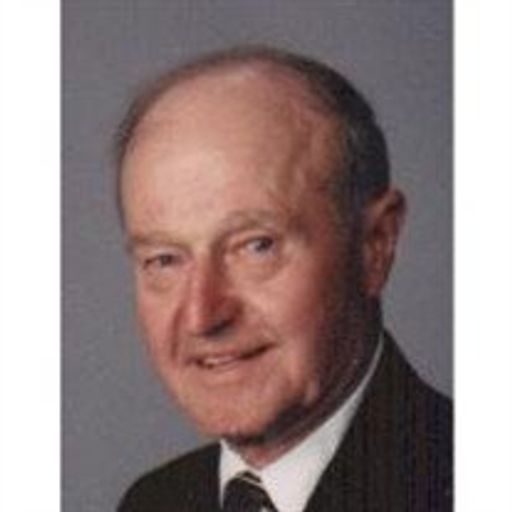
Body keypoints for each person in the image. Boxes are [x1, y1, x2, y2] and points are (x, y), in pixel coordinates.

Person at [115, 46, 452, 512]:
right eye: (165, 260)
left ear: (375, 244)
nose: (201, 316)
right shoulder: (155, 501)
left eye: (257, 246)